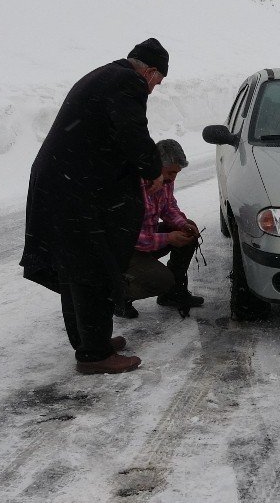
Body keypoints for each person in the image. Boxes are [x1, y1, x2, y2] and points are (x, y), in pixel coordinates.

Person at [20, 38, 169, 374]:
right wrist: (152, 169)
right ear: (150, 70)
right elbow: (131, 131)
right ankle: (95, 355)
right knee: (94, 269)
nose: (155, 88)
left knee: (75, 269)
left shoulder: (104, 75)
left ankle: (89, 342)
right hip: (77, 190)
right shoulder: (127, 82)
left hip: (63, 183)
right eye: (158, 81)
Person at [115, 139, 206, 319]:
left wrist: (182, 224)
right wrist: (169, 238)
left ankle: (172, 294)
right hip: (125, 249)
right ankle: (116, 297)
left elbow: (168, 207)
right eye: (170, 172)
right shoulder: (132, 184)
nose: (173, 178)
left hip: (147, 237)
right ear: (155, 165)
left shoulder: (164, 179)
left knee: (190, 230)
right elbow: (130, 236)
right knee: (162, 280)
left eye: (176, 173)